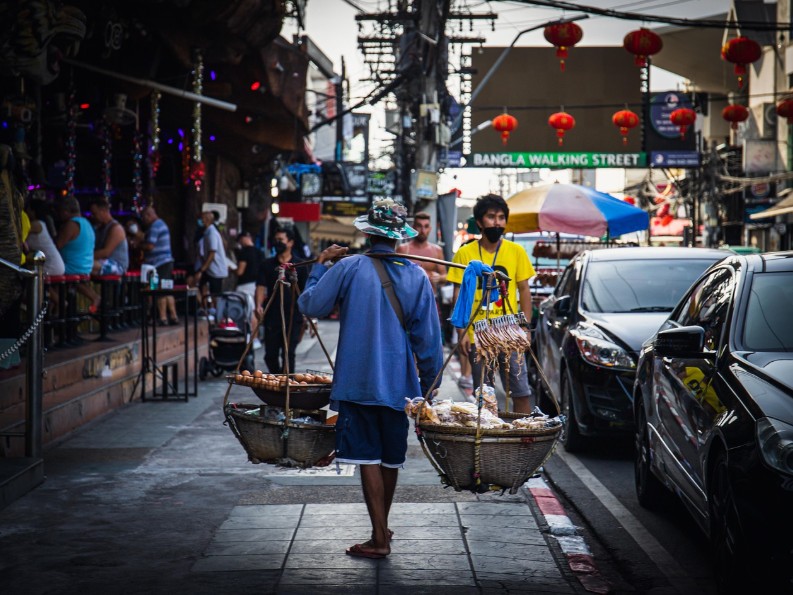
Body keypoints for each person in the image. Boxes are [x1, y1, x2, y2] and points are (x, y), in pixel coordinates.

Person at [297, 200, 443, 560]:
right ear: (399, 238)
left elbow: (310, 305)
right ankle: (381, 526)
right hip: (399, 385)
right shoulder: (416, 275)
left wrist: (318, 267)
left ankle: (379, 536)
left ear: (367, 232)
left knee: (368, 458)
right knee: (390, 459)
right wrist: (428, 383)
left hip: (358, 382)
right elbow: (429, 339)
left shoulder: (347, 267)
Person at [448, 193, 536, 413]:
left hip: (510, 331)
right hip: (478, 331)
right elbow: (458, 297)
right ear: (479, 222)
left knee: (521, 391)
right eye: (491, 217)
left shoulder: (516, 251)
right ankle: (488, 442)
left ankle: (523, 439)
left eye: (501, 217)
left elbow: (525, 291)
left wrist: (525, 328)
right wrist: (462, 333)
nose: (497, 222)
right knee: (484, 395)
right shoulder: (465, 253)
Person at [255, 227, 307, 374]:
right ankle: (277, 379)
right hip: (272, 316)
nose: (277, 243)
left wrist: (309, 317)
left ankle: (287, 387)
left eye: (281, 240)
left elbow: (306, 291)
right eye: (276, 240)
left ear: (290, 242)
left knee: (289, 353)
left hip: (293, 316)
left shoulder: (299, 265)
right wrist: (258, 305)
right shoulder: (267, 265)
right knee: (270, 355)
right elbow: (260, 286)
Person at [56, 195, 98, 311]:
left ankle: (60, 306)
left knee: (46, 275)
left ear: (65, 212)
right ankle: (60, 309)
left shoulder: (71, 225)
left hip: (72, 268)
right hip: (86, 267)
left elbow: (56, 246)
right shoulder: (87, 223)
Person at [141, 205, 178, 326]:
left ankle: (162, 318)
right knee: (167, 289)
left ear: (149, 215)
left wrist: (138, 246)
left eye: (144, 217)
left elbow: (150, 246)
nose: (144, 220)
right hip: (165, 262)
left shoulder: (155, 226)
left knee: (159, 290)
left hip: (159, 264)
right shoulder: (161, 223)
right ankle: (173, 316)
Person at [194, 209, 228, 312]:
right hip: (209, 269)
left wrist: (202, 270)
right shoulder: (207, 232)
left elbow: (212, 253)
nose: (200, 220)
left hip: (215, 269)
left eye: (202, 218)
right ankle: (205, 308)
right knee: (200, 284)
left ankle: (217, 313)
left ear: (207, 219)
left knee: (215, 293)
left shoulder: (212, 233)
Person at [89, 196, 129, 276]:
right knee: (80, 265)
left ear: (103, 211)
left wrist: (85, 256)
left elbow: (106, 252)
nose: (92, 216)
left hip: (117, 265)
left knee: (84, 264)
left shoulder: (116, 228)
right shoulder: (100, 228)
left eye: (94, 214)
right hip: (104, 261)